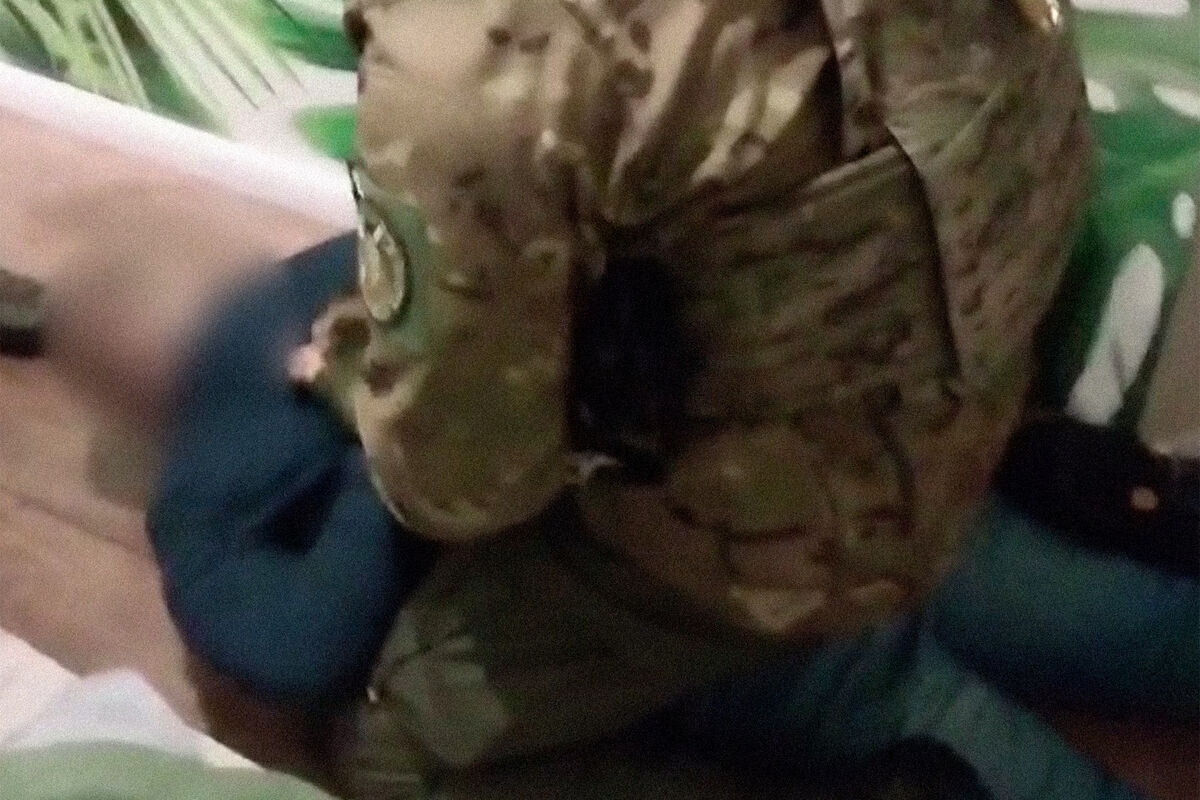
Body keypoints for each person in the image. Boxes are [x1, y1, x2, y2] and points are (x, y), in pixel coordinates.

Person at [114, 0, 1200, 799]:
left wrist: (359, 393)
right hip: (968, 359)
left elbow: (465, 487)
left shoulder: (467, 68)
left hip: (788, 517)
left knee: (407, 751)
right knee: (1052, 612)